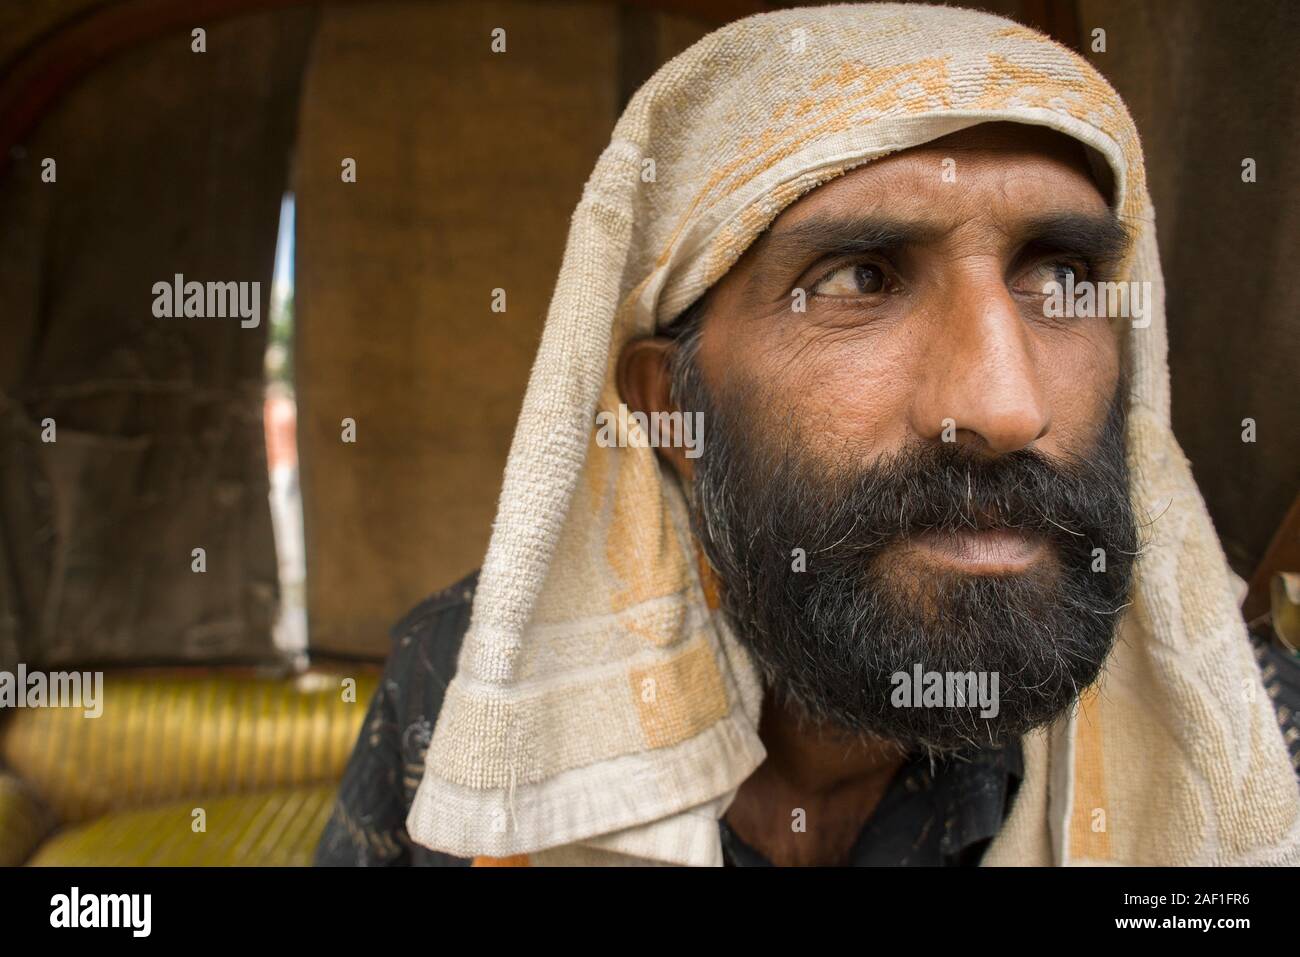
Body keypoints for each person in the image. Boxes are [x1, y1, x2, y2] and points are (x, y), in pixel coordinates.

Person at [317, 3, 1300, 867]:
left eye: (1060, 281)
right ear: (670, 408)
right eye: (859, 279)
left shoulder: (1258, 732)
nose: (1005, 406)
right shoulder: (465, 676)